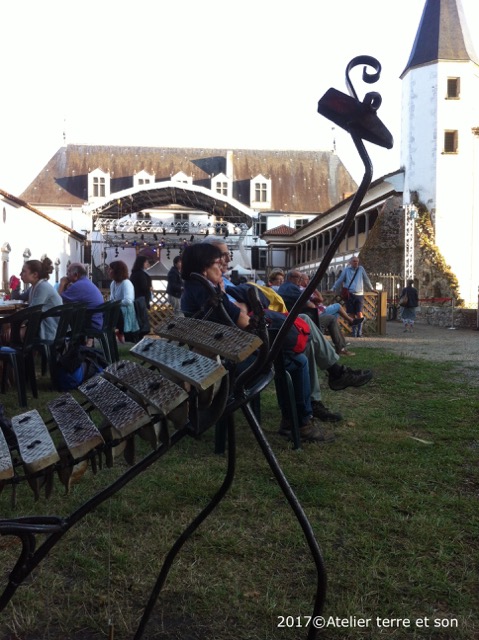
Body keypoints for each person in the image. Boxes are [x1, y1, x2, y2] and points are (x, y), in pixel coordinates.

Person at [180, 243, 330, 442]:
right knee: (297, 361)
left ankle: (296, 421)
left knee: (288, 357)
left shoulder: (192, 289)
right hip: (229, 363)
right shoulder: (210, 294)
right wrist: (231, 299)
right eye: (218, 262)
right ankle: (300, 424)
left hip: (219, 356)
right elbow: (247, 323)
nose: (222, 266)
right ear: (204, 268)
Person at [299, 273, 355, 356]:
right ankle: (350, 321)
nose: (308, 281)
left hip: (319, 312)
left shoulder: (304, 289)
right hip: (318, 314)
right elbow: (320, 299)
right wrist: (314, 289)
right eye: (307, 279)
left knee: (334, 315)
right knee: (338, 306)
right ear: (301, 280)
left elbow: (319, 300)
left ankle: (340, 343)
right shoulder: (304, 290)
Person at [333, 256, 376, 337]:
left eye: (357, 261)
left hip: (359, 294)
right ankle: (354, 332)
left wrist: (371, 288)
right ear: (350, 262)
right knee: (351, 314)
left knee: (359, 313)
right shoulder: (346, 270)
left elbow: (366, 279)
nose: (356, 263)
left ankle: (359, 332)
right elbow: (340, 280)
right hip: (350, 294)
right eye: (354, 261)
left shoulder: (361, 269)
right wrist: (333, 288)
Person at [21, 258, 62, 340]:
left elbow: (32, 311)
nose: (20, 274)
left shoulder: (42, 287)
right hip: (46, 325)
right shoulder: (35, 287)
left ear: (35, 274)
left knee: (8, 333)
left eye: (24, 271)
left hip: (49, 329)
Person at [58, 263, 104, 331]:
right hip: (98, 320)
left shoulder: (78, 285)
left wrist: (62, 283)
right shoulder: (85, 282)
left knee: (63, 319)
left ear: (76, 275)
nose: (66, 275)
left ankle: (60, 339)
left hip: (90, 323)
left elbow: (58, 300)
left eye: (68, 272)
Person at [109, 260, 139, 343]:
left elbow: (129, 301)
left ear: (117, 271)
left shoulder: (126, 283)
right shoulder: (113, 283)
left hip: (126, 313)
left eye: (111, 269)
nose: (109, 271)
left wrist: (115, 303)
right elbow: (112, 299)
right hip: (117, 312)